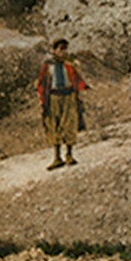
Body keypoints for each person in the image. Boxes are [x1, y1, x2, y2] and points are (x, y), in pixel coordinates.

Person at [37, 37, 88, 171]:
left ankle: (69, 155)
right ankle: (57, 158)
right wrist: (43, 101)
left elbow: (76, 78)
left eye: (65, 49)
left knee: (69, 124)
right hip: (54, 97)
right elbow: (42, 83)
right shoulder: (47, 66)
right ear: (53, 50)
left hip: (68, 96)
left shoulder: (70, 64)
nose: (63, 52)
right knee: (54, 125)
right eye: (60, 49)